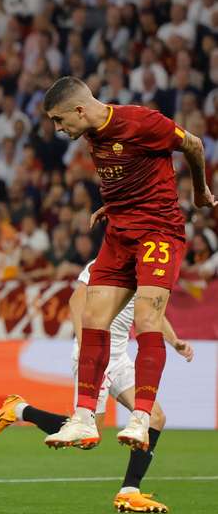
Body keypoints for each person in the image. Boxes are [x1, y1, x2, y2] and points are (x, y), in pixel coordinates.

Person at [39, 76, 215, 450]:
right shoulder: (90, 133)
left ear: (79, 110)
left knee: (146, 319)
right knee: (92, 318)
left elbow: (194, 145)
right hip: (120, 232)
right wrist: (115, 204)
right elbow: (130, 172)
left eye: (59, 120)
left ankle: (140, 418)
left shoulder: (142, 122)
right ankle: (84, 419)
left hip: (158, 232)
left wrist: (199, 191)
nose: (57, 129)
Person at [0, 260, 193, 513]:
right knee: (90, 438)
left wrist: (176, 342)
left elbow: (153, 313)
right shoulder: (104, 263)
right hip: (95, 357)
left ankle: (129, 492)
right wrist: (88, 348)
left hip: (119, 358)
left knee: (156, 417)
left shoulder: (149, 269)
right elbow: (76, 302)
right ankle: (19, 409)